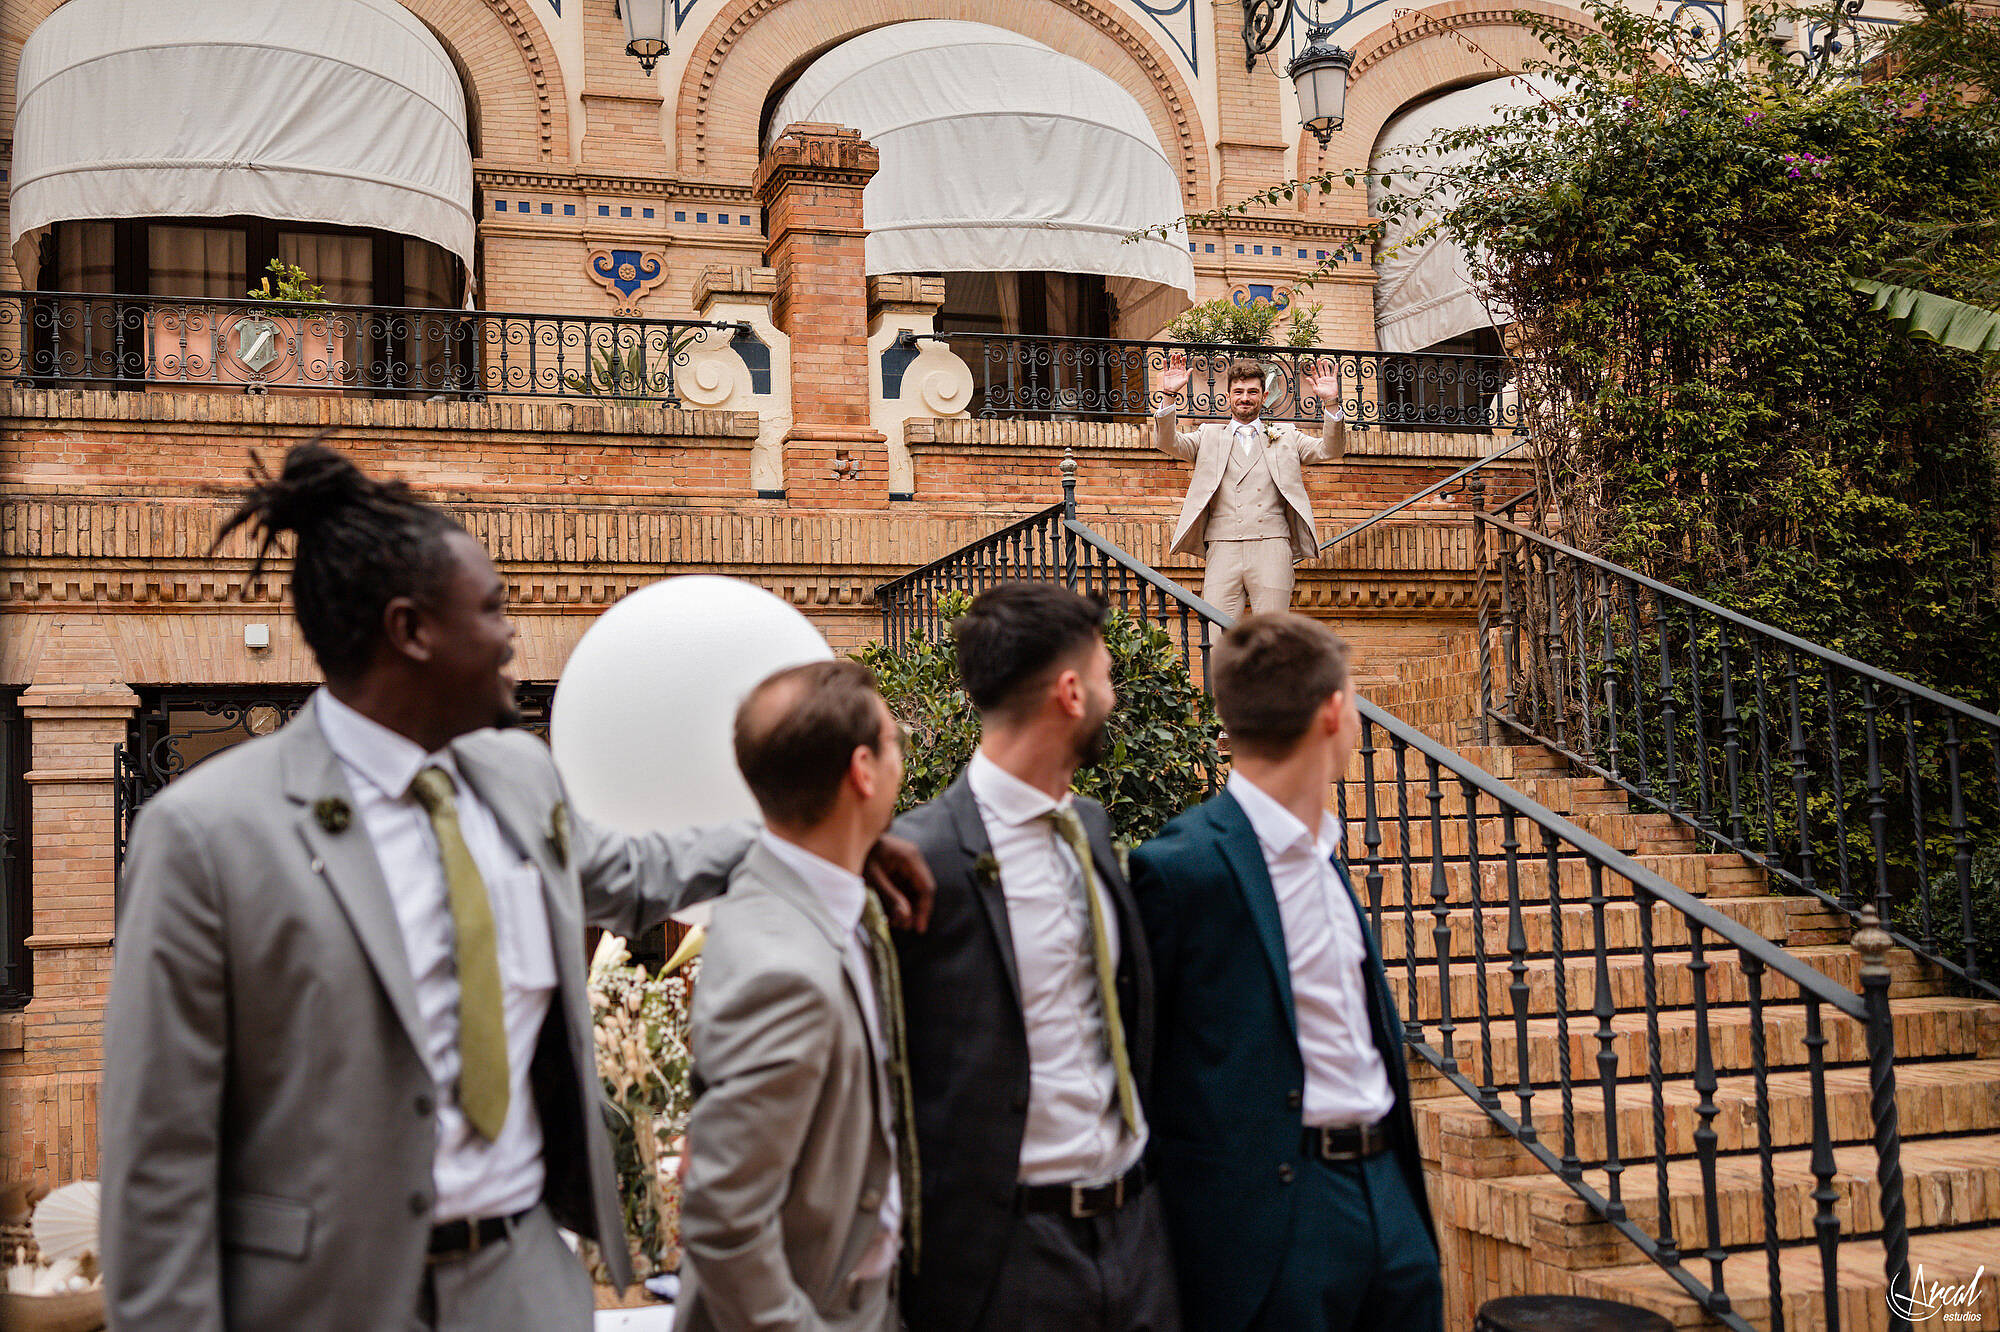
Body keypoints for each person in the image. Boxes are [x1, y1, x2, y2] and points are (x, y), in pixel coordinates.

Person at [99, 439, 932, 1332]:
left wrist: (826, 844)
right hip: (323, 1303)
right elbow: (159, 1158)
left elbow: (637, 874)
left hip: (524, 1288)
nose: (511, 636)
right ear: (411, 632)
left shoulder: (516, 780)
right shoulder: (207, 834)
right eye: (491, 609)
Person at [1131, 613, 1440, 1332]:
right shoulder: (1180, 868)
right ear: (1335, 711)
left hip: (1387, 1195)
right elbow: (1145, 1071)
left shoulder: (1325, 852)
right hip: (1274, 1223)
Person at [890, 581, 1179, 1332]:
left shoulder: (1089, 824)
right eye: (1108, 676)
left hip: (1136, 1237)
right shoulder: (920, 859)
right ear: (1071, 692)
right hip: (1004, 1262)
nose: (1115, 693)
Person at [676, 660, 915, 1332]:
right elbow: (724, 1221)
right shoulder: (786, 976)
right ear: (862, 771)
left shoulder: (783, 890)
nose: (902, 763)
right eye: (894, 745)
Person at [1153, 350, 1347, 619]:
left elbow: (1331, 449)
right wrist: (1169, 395)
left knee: (1272, 634)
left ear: (1264, 397)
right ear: (1229, 396)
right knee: (1216, 631)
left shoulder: (1287, 435)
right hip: (1222, 546)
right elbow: (1167, 443)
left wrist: (1331, 403)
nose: (1245, 398)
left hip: (1272, 546)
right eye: (1239, 391)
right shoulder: (1207, 435)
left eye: (1253, 392)